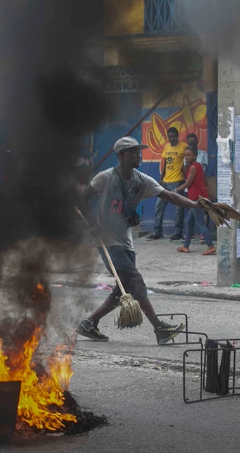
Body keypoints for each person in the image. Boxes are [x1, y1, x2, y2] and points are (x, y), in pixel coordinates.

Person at [76, 136, 205, 344]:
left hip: (127, 243)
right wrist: (92, 224)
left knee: (123, 290)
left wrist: (195, 205)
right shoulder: (105, 178)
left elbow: (170, 196)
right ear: (121, 156)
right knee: (135, 281)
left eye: (139, 151)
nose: (139, 154)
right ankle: (159, 328)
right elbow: (82, 198)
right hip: (108, 243)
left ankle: (88, 323)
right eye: (133, 151)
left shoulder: (142, 180)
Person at [175, 147, 215, 255]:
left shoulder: (194, 167)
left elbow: (188, 183)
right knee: (189, 221)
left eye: (189, 155)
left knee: (200, 223)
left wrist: (175, 190)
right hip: (196, 198)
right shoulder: (194, 166)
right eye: (185, 155)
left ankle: (210, 246)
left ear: (194, 156)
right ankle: (186, 246)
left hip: (197, 199)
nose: (186, 157)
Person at [148, 127, 185, 241]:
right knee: (159, 206)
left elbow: (188, 162)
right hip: (165, 182)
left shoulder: (184, 146)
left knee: (178, 207)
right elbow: (164, 164)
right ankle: (158, 232)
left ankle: (178, 233)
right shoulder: (167, 146)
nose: (171, 138)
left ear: (177, 136)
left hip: (177, 181)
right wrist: (161, 179)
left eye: (173, 136)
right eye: (170, 136)